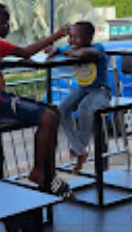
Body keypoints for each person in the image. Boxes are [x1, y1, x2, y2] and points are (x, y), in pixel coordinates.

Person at [0, 1, 71, 197]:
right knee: (47, 117)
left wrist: (57, 35)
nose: (8, 26)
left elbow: (26, 52)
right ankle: (40, 173)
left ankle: (47, 173)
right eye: (4, 22)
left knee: (53, 112)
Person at [48, 21, 109, 173]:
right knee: (60, 110)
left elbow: (89, 54)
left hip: (100, 91)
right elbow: (53, 49)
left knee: (84, 109)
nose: (71, 41)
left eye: (76, 38)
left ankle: (79, 150)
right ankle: (80, 150)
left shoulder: (97, 48)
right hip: (83, 89)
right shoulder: (70, 47)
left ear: (89, 38)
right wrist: (54, 47)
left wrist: (71, 52)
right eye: (70, 37)